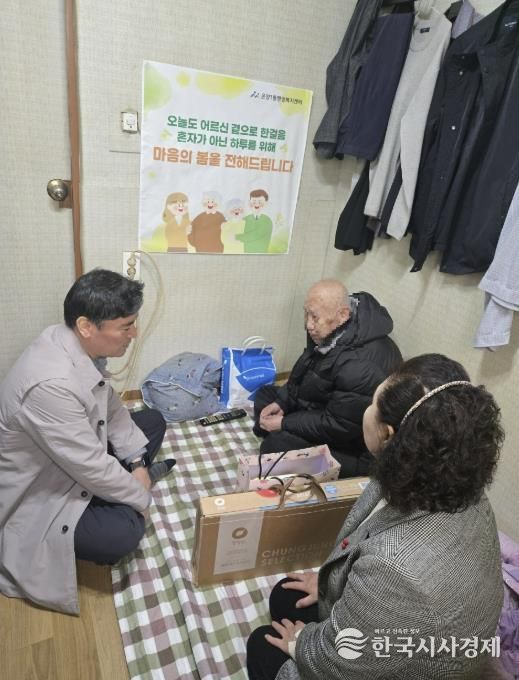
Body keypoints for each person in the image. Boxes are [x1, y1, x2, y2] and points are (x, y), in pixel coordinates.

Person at [247, 353, 504, 680]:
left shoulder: (397, 570)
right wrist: (330, 584)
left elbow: (340, 661)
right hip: (399, 623)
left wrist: (302, 643)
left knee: (262, 645)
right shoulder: (448, 479)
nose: (366, 410)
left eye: (372, 404)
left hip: (400, 656)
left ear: (388, 434)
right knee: (287, 595)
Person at [0, 269, 175, 615]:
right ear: (85, 326)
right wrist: (141, 496)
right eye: (126, 326)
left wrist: (137, 464)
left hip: (73, 452)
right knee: (122, 533)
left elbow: (111, 408)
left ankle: (130, 480)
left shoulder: (69, 340)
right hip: (43, 487)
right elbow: (90, 467)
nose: (134, 334)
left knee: (153, 420)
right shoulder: (50, 385)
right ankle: (123, 496)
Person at [254, 279, 402, 477]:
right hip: (324, 406)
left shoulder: (360, 364)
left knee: (274, 445)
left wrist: (284, 423)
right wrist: (283, 402)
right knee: (265, 395)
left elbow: (337, 426)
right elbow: (304, 370)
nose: (308, 325)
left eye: (315, 317)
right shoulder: (331, 329)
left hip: (352, 444)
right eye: (307, 313)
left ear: (343, 315)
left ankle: (278, 435)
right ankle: (277, 431)